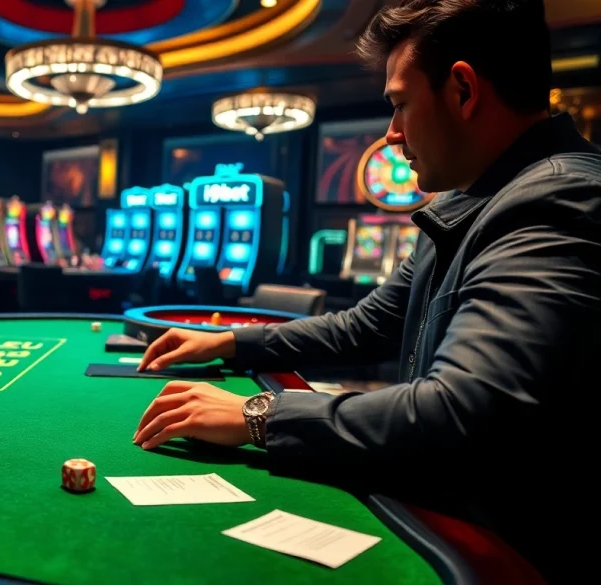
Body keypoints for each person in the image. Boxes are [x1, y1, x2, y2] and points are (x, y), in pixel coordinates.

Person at [133, 1, 600, 582]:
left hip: (508, 556)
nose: (392, 133)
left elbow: (462, 410)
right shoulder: (471, 199)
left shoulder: (557, 201)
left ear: (462, 90)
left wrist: (260, 414)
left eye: (400, 103)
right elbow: (367, 325)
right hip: (454, 518)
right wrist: (229, 343)